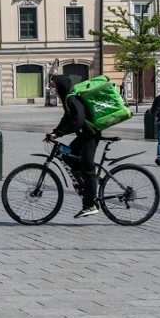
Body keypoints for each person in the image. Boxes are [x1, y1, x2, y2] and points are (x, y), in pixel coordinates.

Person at [47, 75, 102, 218]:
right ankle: (89, 181)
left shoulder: (71, 98)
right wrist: (55, 131)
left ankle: (90, 205)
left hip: (90, 135)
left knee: (87, 168)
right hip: (84, 135)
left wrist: (59, 134)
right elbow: (67, 118)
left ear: (60, 86)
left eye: (54, 86)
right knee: (68, 155)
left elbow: (77, 121)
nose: (52, 89)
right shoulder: (67, 99)